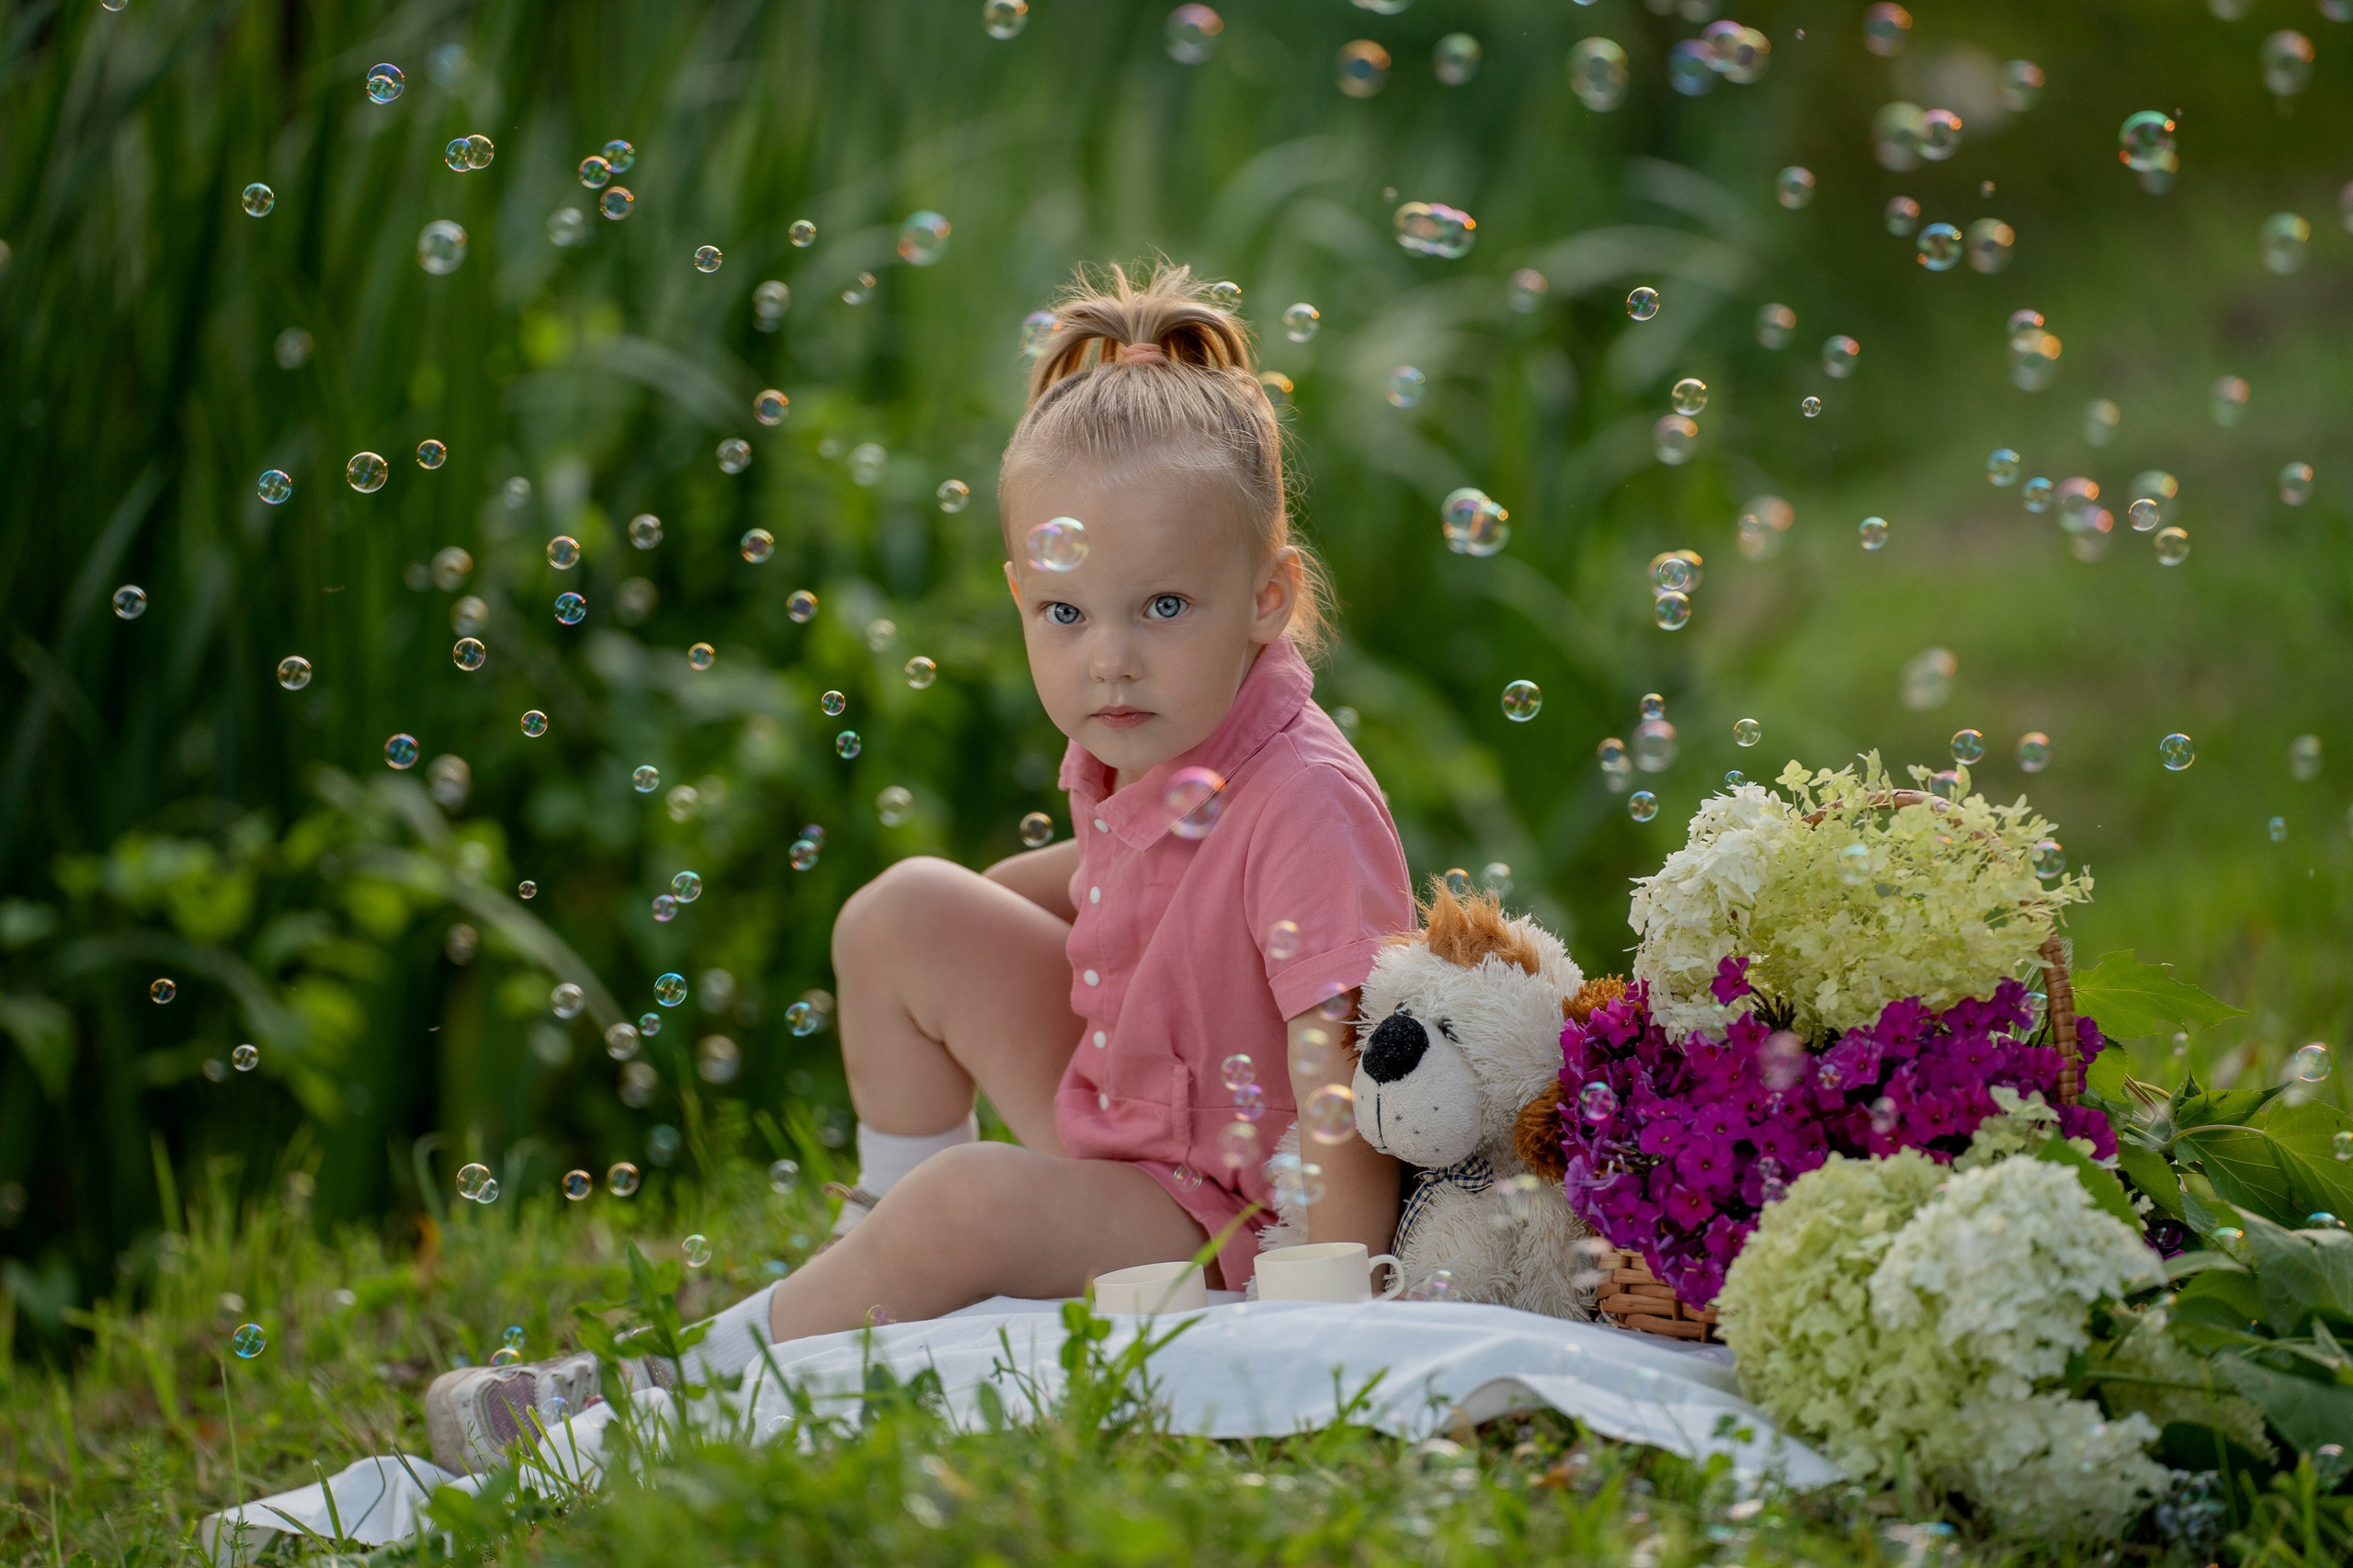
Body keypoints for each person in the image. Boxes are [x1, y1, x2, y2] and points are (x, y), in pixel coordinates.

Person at [426, 263, 1415, 1471]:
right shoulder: (1149, 731)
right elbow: (1135, 876)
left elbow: (1348, 1071)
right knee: (906, 914)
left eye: (1163, 606)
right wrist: (994, 914)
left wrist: (1331, 1328)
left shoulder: (1303, 798)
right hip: (1145, 1121)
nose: (1108, 660)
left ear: (1269, 597)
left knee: (970, 1207)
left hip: (1245, 1225)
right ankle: (880, 1241)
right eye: (1065, 613)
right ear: (1018, 594)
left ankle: (669, 1387)